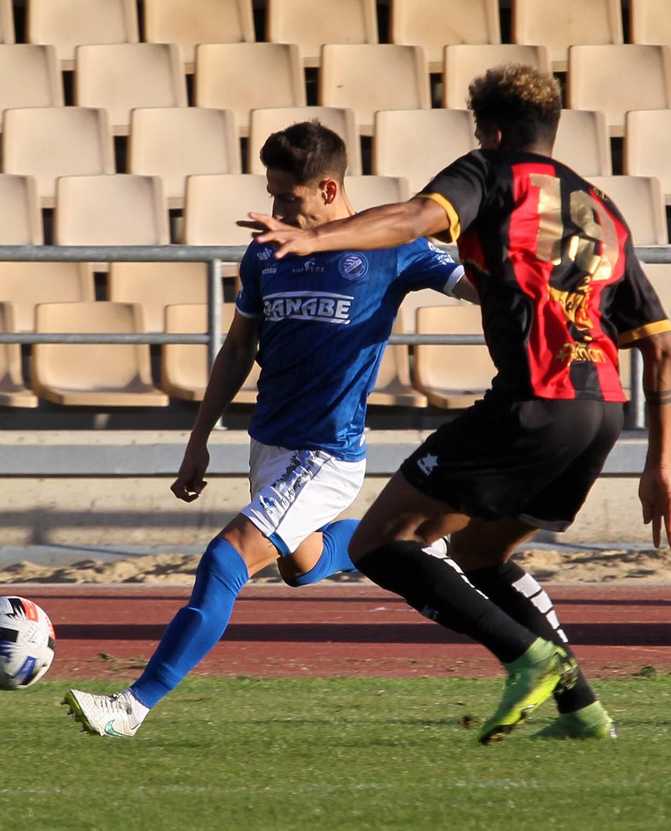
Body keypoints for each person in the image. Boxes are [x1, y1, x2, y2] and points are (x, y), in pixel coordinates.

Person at [245, 64, 671, 743]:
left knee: (379, 543)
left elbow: (419, 218)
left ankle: (529, 659)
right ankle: (583, 709)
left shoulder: (491, 170)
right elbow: (664, 351)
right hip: (603, 413)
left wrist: (317, 237)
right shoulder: (603, 211)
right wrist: (661, 466)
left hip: (535, 401)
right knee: (480, 555)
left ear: (494, 130)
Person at [63, 122, 477, 737]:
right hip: (271, 445)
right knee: (302, 565)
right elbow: (237, 350)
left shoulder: (391, 249)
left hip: (327, 454)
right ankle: (405, 539)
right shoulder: (266, 254)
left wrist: (517, 277)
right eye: (273, 194)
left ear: (329, 188)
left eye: (290, 199)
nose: (277, 211)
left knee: (224, 562)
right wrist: (199, 437)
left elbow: (472, 287)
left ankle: (131, 707)